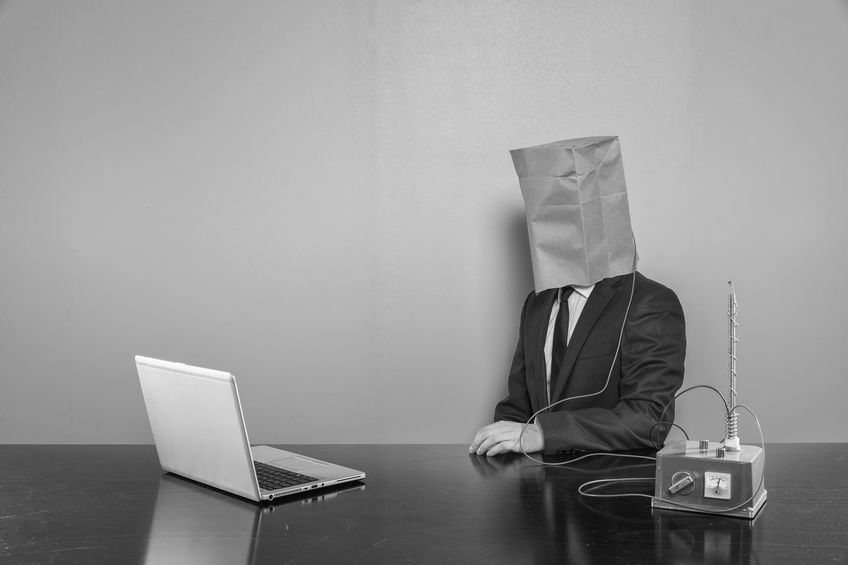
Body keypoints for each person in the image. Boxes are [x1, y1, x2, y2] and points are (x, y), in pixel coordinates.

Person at [469, 136, 686, 457]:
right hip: (535, 495)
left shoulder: (650, 302)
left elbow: (648, 419)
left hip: (611, 492)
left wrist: (544, 434)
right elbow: (516, 409)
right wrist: (496, 444)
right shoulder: (537, 303)